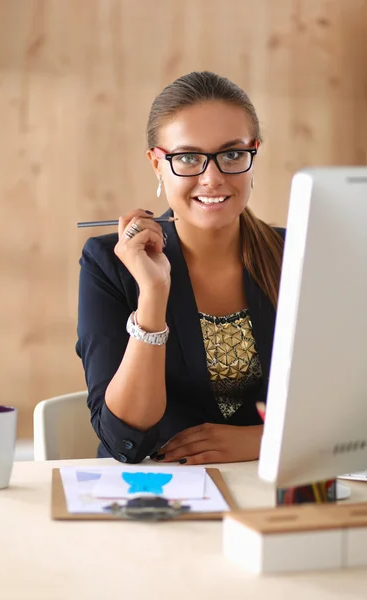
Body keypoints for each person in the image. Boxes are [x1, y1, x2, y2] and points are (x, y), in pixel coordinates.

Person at [76, 71, 285, 464]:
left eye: (233, 154)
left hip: (271, 491)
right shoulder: (107, 264)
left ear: (254, 153)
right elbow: (126, 439)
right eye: (187, 157)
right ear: (157, 163)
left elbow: (347, 408)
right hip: (155, 497)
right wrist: (153, 295)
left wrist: (260, 442)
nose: (212, 177)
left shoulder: (300, 255)